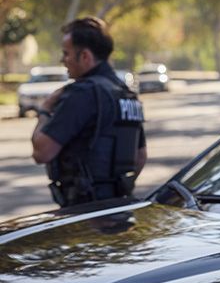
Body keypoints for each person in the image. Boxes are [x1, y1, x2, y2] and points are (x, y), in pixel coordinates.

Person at [31, 17, 146, 207]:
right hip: (119, 207)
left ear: (85, 56)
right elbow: (140, 157)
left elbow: (42, 152)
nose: (63, 60)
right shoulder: (126, 94)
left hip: (84, 213)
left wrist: (44, 111)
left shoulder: (83, 93)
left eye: (66, 53)